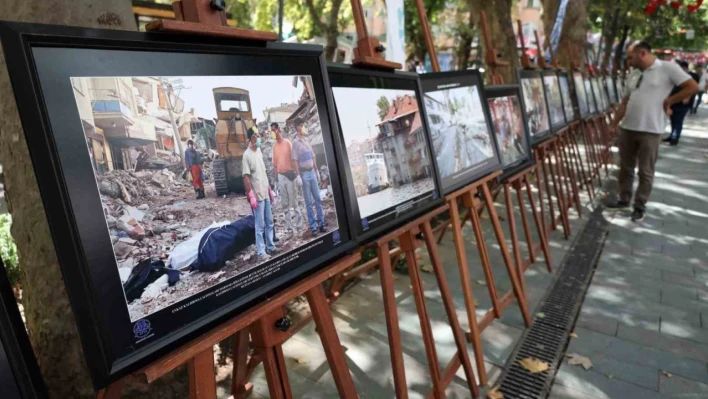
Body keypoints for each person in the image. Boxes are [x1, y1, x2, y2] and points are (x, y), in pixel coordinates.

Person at [607, 41, 698, 222]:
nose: (629, 62)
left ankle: (639, 205)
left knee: (645, 170)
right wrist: (614, 123)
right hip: (628, 128)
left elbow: (692, 86)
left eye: (631, 57)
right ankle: (624, 198)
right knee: (625, 167)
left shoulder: (667, 68)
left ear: (642, 54)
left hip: (651, 129)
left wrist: (669, 100)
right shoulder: (634, 74)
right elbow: (625, 101)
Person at [242, 127, 279, 259]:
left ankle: (270, 246)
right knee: (260, 226)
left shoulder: (259, 151)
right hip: (257, 196)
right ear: (251, 138)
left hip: (265, 192)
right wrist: (250, 194)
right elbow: (246, 177)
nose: (259, 138)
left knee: (269, 222)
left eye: (259, 135)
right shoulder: (246, 155)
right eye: (256, 136)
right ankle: (261, 252)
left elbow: (262, 172)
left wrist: (269, 189)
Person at [291, 119, 325, 236]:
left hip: (312, 172)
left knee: (317, 199)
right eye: (301, 125)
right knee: (309, 202)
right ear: (297, 127)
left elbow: (313, 155)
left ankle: (321, 224)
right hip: (304, 174)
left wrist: (317, 170)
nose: (303, 127)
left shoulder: (307, 140)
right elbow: (295, 160)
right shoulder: (295, 143)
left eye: (303, 125)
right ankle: (313, 227)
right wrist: (298, 176)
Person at [270, 122, 301, 233]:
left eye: (274, 130)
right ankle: (289, 228)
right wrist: (275, 181)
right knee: (285, 204)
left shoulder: (288, 143)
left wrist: (297, 175)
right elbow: (274, 164)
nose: (273, 133)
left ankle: (299, 226)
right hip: (281, 175)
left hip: (290, 175)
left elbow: (294, 159)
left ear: (279, 130)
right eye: (272, 131)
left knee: (294, 202)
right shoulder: (274, 147)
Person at [663, 61, 700, 145]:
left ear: (685, 68)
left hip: (683, 103)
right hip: (673, 101)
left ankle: (675, 137)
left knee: (678, 120)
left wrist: (687, 98)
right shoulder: (675, 76)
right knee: (673, 120)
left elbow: (693, 88)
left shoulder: (692, 77)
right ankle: (672, 134)